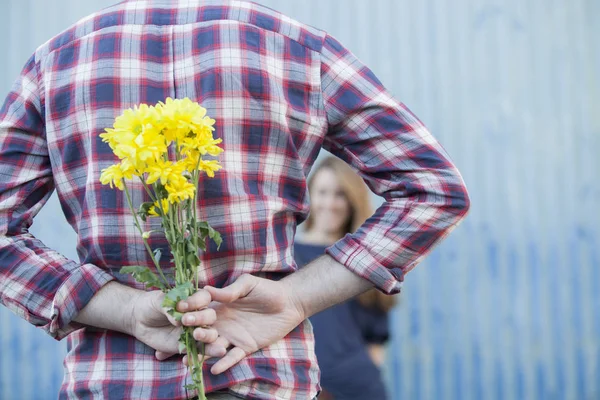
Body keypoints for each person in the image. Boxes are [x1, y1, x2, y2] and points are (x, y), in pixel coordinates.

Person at [0, 0, 470, 399]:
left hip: (111, 382)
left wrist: (121, 308)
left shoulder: (56, 61)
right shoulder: (303, 51)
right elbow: (435, 189)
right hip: (258, 376)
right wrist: (294, 299)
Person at [294, 156, 396, 399]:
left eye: (339, 194)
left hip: (359, 388)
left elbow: (376, 339)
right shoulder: (287, 255)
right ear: (310, 196)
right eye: (322, 192)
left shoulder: (365, 258)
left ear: (352, 200)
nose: (330, 203)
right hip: (305, 388)